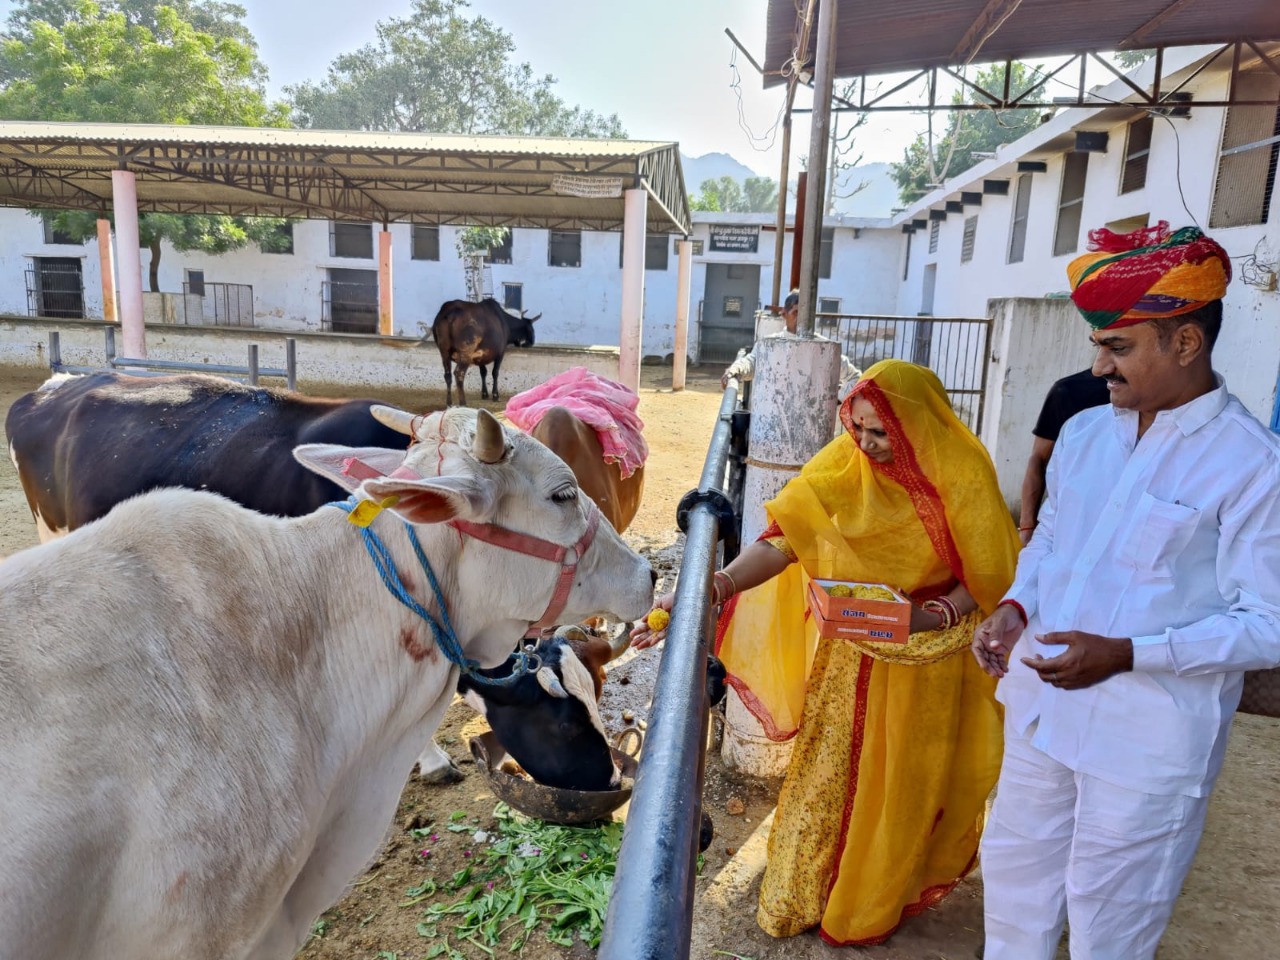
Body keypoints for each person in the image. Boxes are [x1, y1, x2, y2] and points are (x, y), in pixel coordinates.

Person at [971, 221, 1280, 960]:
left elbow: (1268, 623)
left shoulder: (1250, 465)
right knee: (1013, 896)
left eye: (1117, 347)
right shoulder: (1085, 433)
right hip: (1042, 712)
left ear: (1185, 343)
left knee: (1111, 928)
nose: (1099, 365)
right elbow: (1051, 540)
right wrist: (1017, 607)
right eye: (1099, 346)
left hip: (1146, 742)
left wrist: (1128, 653)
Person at [633, 359, 1020, 946]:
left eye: (880, 432)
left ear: (914, 428)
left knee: (904, 783)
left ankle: (874, 897)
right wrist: (718, 586)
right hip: (855, 654)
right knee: (830, 770)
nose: (865, 443)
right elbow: (784, 540)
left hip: (931, 662)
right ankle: (808, 888)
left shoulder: (963, 474)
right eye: (858, 428)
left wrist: (935, 614)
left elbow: (990, 569)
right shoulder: (848, 462)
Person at [1018, 368, 1111, 544]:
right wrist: (1027, 527)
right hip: (1069, 526)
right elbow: (1038, 459)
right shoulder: (1069, 391)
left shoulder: (1162, 398)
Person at [720, 290, 861, 397]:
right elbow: (751, 362)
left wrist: (834, 399)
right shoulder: (770, 344)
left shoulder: (824, 348)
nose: (802, 319)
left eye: (807, 314)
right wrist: (734, 370)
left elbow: (855, 378)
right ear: (784, 314)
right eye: (796, 312)